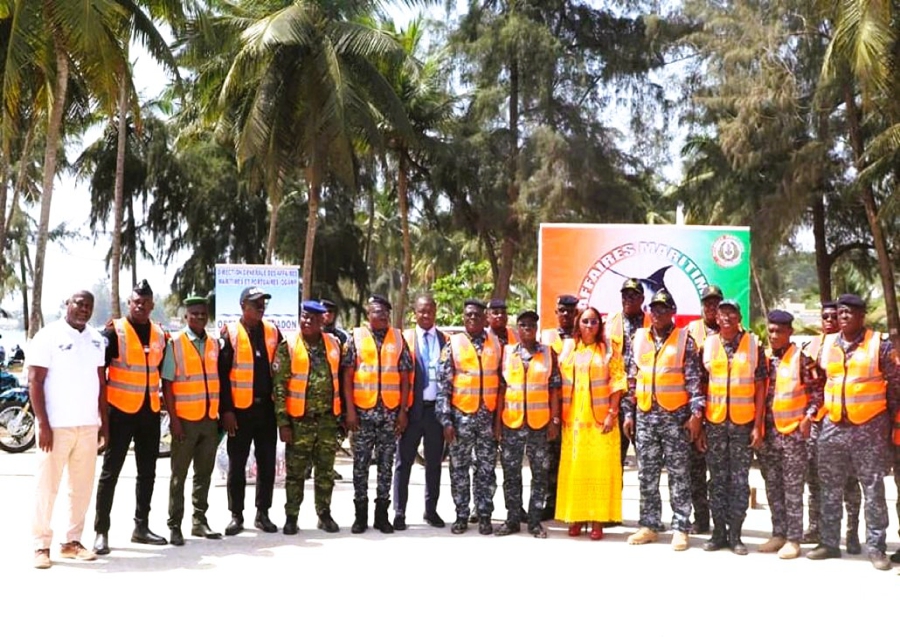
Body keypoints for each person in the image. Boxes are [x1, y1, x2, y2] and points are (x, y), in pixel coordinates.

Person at [807, 294, 898, 571]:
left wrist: (890, 423)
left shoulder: (879, 345)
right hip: (834, 425)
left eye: (850, 312)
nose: (844, 316)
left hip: (869, 427)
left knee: (872, 488)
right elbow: (819, 383)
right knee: (830, 486)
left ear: (862, 317)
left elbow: (895, 386)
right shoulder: (827, 346)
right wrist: (817, 415)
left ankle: (876, 547)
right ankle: (829, 542)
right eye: (841, 311)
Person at [30, 291, 108, 569]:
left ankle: (71, 542)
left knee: (81, 488)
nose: (84, 309)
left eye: (89, 306)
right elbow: (34, 381)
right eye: (79, 304)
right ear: (67, 304)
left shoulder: (97, 339)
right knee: (47, 487)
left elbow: (101, 385)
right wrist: (42, 423)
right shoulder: (48, 335)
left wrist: (104, 424)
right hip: (56, 426)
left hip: (87, 426)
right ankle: (41, 545)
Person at [623, 290, 704, 551]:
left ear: (672, 312)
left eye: (663, 309)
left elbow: (694, 381)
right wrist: (628, 413)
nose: (657, 313)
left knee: (679, 474)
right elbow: (632, 379)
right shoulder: (639, 339)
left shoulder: (684, 341)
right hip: (645, 416)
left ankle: (681, 526)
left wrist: (696, 416)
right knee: (646, 473)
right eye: (654, 309)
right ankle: (649, 525)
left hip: (675, 418)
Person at [94, 280, 168, 555]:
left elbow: (162, 371)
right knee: (110, 473)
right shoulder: (114, 332)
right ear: (129, 303)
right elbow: (99, 374)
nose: (140, 306)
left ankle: (141, 527)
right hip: (120, 412)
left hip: (149, 412)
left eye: (145, 303)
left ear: (152, 305)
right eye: (136, 302)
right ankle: (101, 531)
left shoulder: (160, 334)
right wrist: (101, 417)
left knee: (147, 472)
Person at [700, 299, 766, 556]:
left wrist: (758, 425)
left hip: (742, 424)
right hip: (715, 423)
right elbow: (701, 387)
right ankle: (718, 533)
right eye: (722, 312)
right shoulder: (708, 345)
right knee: (716, 481)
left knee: (739, 481)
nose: (726, 317)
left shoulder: (753, 345)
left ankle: (736, 534)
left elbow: (761, 387)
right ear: (716, 317)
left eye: (732, 312)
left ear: (739, 317)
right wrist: (703, 425)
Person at [342, 295, 412, 534]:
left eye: (383, 312)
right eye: (375, 312)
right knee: (360, 465)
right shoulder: (356, 338)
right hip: (362, 414)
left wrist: (403, 411)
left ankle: (382, 516)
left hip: (390, 414)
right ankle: (360, 516)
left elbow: (405, 379)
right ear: (368, 315)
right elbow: (347, 377)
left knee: (386, 465)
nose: (380, 316)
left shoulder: (398, 338)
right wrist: (349, 410)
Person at [556, 305, 625, 540]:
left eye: (594, 321)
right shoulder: (568, 348)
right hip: (573, 419)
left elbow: (618, 381)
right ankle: (575, 518)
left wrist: (612, 413)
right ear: (577, 324)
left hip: (601, 420)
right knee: (575, 468)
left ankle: (597, 521)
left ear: (600, 325)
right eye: (585, 321)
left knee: (599, 470)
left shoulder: (607, 350)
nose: (589, 326)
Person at [274, 301, 343, 534]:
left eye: (312, 318)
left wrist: (340, 417)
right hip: (299, 420)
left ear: (322, 320)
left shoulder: (333, 344)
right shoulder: (289, 345)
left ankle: (324, 514)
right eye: (304, 317)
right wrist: (283, 423)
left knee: (325, 472)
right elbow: (280, 387)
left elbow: (339, 380)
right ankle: (291, 516)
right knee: (295, 473)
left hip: (327, 421)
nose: (307, 321)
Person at [219, 286, 284, 536]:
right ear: (242, 306)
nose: (260, 307)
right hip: (239, 411)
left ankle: (263, 513)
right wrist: (226, 410)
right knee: (237, 463)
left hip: (266, 409)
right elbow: (222, 376)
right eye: (255, 302)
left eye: (263, 303)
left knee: (267, 462)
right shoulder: (231, 333)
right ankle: (236, 515)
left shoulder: (272, 331)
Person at [161, 295, 224, 546]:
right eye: (194, 314)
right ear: (186, 316)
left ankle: (199, 521)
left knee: (204, 474)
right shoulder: (175, 343)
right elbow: (167, 384)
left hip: (209, 420)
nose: (199, 317)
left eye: (203, 314)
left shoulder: (214, 344)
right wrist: (174, 420)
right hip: (184, 421)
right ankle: (174, 525)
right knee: (179, 476)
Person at [756, 310, 819, 559]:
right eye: (770, 330)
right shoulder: (766, 361)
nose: (773, 335)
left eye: (778, 331)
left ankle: (794, 539)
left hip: (793, 436)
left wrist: (808, 417)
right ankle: (778, 533)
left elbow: (818, 392)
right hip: (769, 435)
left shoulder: (802, 360)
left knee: (793, 489)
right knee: (773, 487)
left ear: (789, 332)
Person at [801, 301, 862, 552]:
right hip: (816, 424)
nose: (829, 320)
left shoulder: (849, 347)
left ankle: (852, 533)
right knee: (815, 479)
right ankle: (816, 527)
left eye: (833, 316)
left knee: (849, 481)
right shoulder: (810, 348)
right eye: (825, 316)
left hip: (841, 422)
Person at [495, 310, 561, 538]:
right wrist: (497, 424)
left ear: (536, 329)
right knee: (511, 473)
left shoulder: (548, 354)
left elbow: (554, 390)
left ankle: (534, 521)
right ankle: (513, 519)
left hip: (539, 424)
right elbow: (501, 391)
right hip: (512, 423)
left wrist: (554, 420)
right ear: (517, 328)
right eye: (522, 325)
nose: (527, 329)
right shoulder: (506, 354)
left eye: (531, 326)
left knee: (539, 474)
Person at [439, 299, 502, 535]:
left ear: (485, 317)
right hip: (460, 418)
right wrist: (446, 420)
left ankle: (484, 514)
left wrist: (498, 421)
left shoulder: (495, 344)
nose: (473, 318)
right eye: (468, 315)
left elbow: (502, 382)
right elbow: (443, 386)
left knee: (486, 469)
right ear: (463, 318)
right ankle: (461, 515)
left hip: (487, 418)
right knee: (459, 468)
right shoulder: (452, 345)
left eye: (477, 315)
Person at [393, 294, 447, 529]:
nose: (426, 315)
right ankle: (399, 512)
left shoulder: (446, 340)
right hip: (412, 411)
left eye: (430, 311)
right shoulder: (404, 339)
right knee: (403, 463)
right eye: (421, 311)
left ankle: (430, 510)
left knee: (434, 463)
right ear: (414, 313)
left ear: (435, 312)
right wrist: (401, 411)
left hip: (436, 411)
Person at [685, 283, 722, 534]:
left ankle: (722, 520)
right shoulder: (690, 331)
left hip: (721, 409)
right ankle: (700, 518)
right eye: (707, 303)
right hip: (697, 408)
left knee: (719, 470)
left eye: (716, 303)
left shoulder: (735, 332)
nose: (712, 307)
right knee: (695, 469)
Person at [605, 278, 651, 474]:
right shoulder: (610, 321)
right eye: (625, 295)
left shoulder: (653, 320)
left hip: (645, 399)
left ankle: (647, 505)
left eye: (633, 295)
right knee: (614, 461)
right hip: (617, 397)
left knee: (648, 463)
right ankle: (613, 504)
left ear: (642, 298)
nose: (628, 299)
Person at [539, 293, 578, 520]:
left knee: (573, 460)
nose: (566, 314)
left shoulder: (583, 335)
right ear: (556, 313)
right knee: (550, 461)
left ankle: (572, 505)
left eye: (570, 311)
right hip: (551, 409)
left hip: (577, 410)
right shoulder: (546, 337)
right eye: (562, 310)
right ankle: (550, 504)